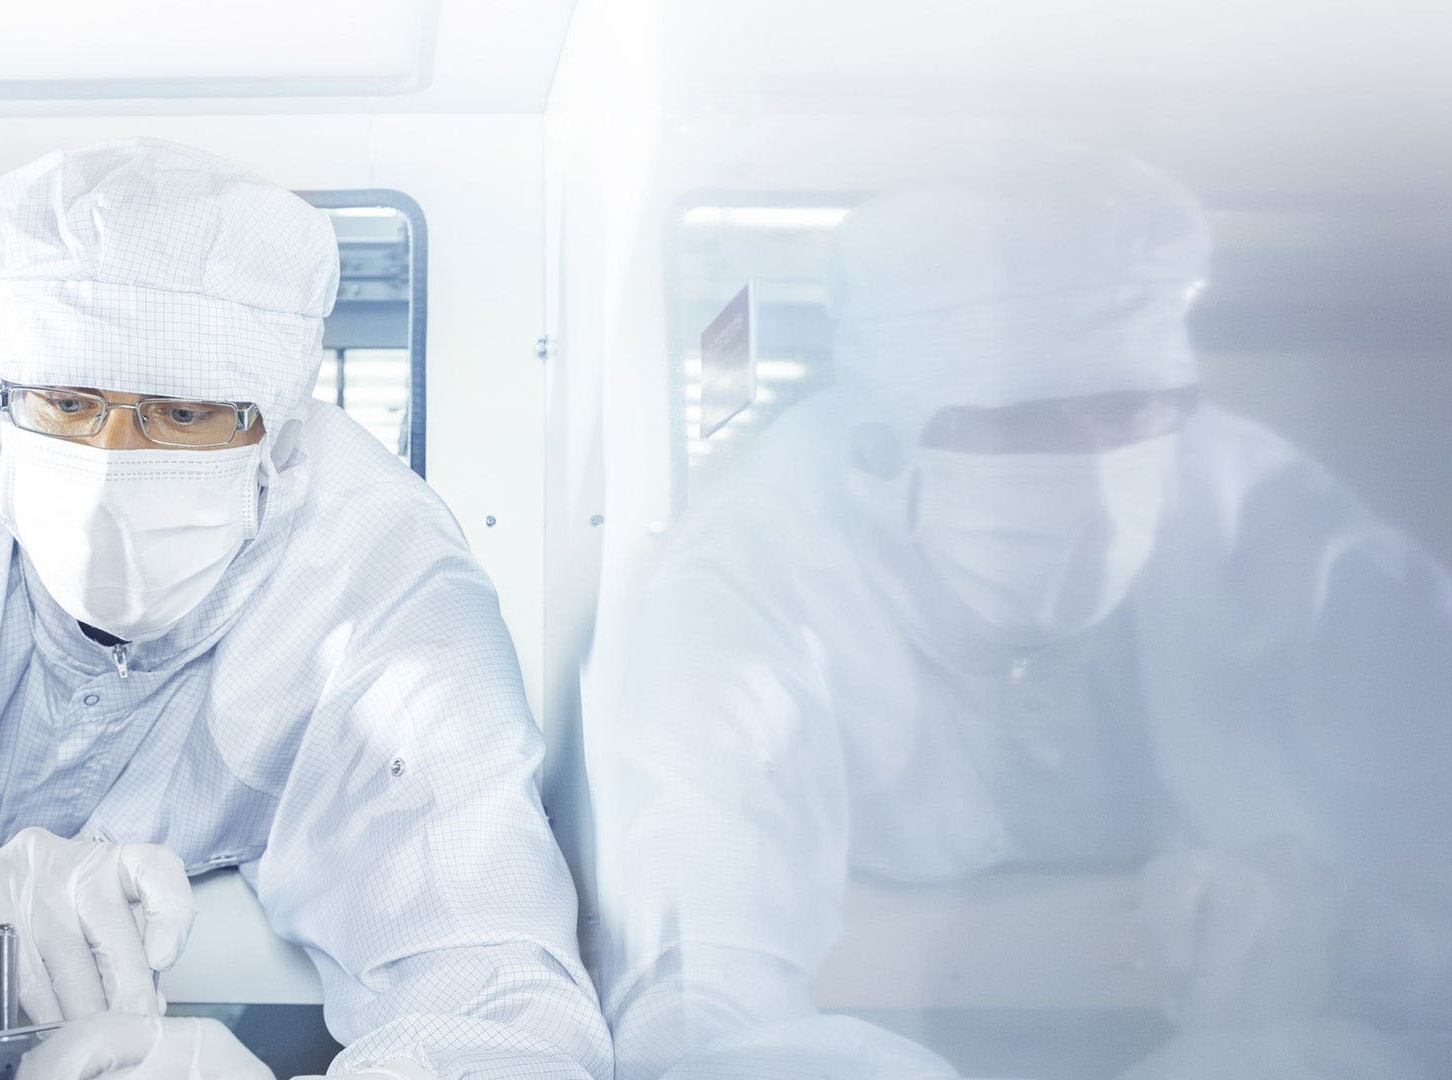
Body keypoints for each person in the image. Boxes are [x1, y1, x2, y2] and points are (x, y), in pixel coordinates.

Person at [582, 146, 1451, 1079]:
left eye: (1134, 415)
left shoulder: (1265, 521)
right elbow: (697, 992)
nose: (1098, 479)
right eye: (1026, 427)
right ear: (881, 443)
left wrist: (1336, 932)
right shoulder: (744, 587)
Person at [0, 137, 612, 1080]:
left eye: (181, 415)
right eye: (68, 402)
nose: (109, 462)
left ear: (276, 426)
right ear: (2, 396)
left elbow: (494, 990)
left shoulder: (382, 574)